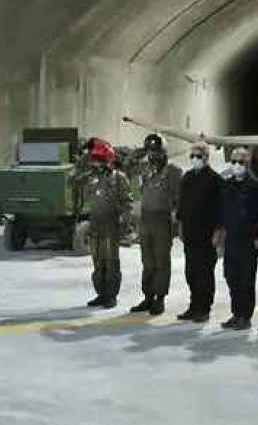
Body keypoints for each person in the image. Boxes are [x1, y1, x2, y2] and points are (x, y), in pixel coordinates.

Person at [70, 139, 131, 308]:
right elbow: (72, 181)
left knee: (111, 262)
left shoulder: (119, 178)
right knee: (98, 262)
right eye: (94, 158)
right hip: (95, 225)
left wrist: (124, 224)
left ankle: (111, 295)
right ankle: (101, 294)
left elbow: (127, 202)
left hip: (111, 226)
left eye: (99, 158)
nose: (96, 161)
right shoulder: (90, 177)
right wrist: (84, 158)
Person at [214, 148, 258, 330]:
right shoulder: (227, 185)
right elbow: (222, 212)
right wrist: (219, 233)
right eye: (234, 162)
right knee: (231, 276)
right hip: (231, 239)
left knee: (246, 279)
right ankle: (236, 313)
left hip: (248, 240)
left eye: (241, 162)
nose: (237, 165)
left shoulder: (257, 187)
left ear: (248, 165)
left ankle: (245, 316)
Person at [131, 134, 181, 315]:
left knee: (161, 261)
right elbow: (127, 167)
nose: (153, 156)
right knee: (147, 261)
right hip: (145, 219)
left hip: (162, 220)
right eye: (151, 152)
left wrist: (175, 224)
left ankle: (160, 299)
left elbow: (178, 200)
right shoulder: (145, 168)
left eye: (156, 152)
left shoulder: (173, 171)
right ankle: (148, 297)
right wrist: (140, 152)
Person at [176, 142, 222, 322]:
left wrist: (218, 231)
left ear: (206, 158)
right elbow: (182, 204)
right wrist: (180, 226)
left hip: (206, 234)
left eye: (198, 156)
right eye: (192, 156)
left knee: (205, 273)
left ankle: (204, 308)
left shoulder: (214, 180)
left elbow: (220, 208)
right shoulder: (187, 178)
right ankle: (193, 305)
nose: (195, 159)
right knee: (191, 272)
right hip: (190, 232)